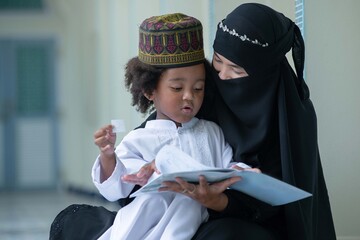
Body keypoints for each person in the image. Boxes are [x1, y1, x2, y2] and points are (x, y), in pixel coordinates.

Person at [131, 3, 337, 240]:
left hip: (258, 226)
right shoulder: (205, 93)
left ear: (263, 73)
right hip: (186, 215)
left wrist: (220, 201)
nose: (223, 76)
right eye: (218, 61)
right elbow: (149, 141)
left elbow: (282, 204)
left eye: (236, 70)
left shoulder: (292, 115)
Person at [50, 13, 245, 240]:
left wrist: (243, 172)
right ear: (149, 90)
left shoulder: (212, 132)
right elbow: (116, 188)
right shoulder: (140, 139)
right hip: (139, 226)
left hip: (191, 222)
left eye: (199, 88)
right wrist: (108, 157)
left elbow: (227, 168)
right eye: (177, 88)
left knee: (189, 205)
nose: (189, 97)